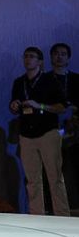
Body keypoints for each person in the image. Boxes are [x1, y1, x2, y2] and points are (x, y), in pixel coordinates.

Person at [9, 46, 69, 216]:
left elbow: (62, 107)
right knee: (32, 180)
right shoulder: (19, 82)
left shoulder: (50, 80)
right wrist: (14, 106)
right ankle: (36, 216)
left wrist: (40, 106)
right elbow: (14, 105)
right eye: (26, 56)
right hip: (26, 135)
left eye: (32, 56)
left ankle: (63, 216)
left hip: (47, 133)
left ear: (40, 62)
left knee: (54, 178)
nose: (28, 59)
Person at [50, 42, 79, 213]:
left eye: (63, 54)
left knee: (73, 167)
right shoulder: (45, 79)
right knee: (54, 170)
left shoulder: (76, 79)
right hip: (51, 129)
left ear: (68, 58)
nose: (59, 56)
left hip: (74, 129)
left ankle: (75, 208)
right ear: (51, 57)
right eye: (56, 53)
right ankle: (56, 209)